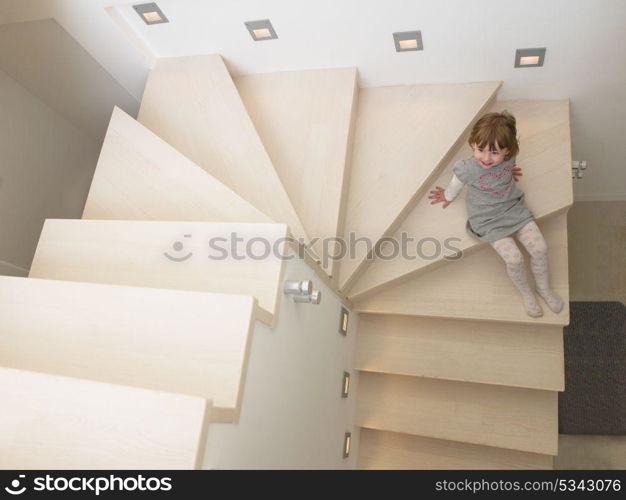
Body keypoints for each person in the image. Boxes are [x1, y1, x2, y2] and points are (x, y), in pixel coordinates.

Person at [429, 111, 563, 318]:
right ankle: (527, 293)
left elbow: (506, 161)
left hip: (513, 209)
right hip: (487, 219)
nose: (486, 158)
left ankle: (543, 288)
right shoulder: (468, 168)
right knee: (515, 259)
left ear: (508, 151)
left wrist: (509, 170)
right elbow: (456, 184)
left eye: (495, 153)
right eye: (480, 149)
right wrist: (447, 196)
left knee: (540, 248)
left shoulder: (509, 158)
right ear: (473, 144)